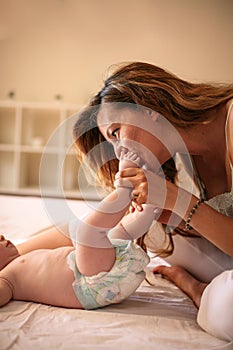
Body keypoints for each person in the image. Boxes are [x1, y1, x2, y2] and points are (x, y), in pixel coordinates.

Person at [3, 62, 232, 340]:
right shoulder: (184, 156)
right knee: (121, 227)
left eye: (115, 133)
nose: (117, 150)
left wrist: (178, 199)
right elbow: (95, 230)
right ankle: (12, 257)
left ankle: (198, 289)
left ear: (150, 109)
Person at [0, 151, 155, 310]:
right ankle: (126, 186)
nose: (2, 236)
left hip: (102, 279)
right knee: (86, 232)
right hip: (89, 284)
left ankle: (149, 210)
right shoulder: (6, 279)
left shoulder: (18, 262)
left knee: (118, 233)